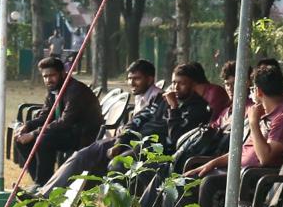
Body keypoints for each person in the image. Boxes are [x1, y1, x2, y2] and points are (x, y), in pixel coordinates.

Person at [29, 63, 213, 196]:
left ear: (193, 85)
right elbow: (136, 120)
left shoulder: (197, 109)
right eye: (174, 83)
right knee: (82, 156)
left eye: (182, 83)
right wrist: (120, 141)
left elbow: (176, 139)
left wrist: (173, 109)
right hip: (130, 140)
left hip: (153, 148)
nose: (175, 88)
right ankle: (45, 195)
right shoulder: (161, 100)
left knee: (115, 164)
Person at [184, 65, 283, 207]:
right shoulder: (265, 115)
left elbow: (265, 157)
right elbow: (242, 152)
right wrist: (212, 163)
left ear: (258, 91)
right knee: (189, 181)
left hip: (260, 181)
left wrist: (254, 123)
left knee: (209, 183)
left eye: (252, 89)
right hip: (242, 172)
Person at [12, 57, 105, 185]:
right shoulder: (53, 89)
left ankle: (43, 184)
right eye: (45, 76)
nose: (48, 80)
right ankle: (41, 183)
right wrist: (27, 126)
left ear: (63, 73)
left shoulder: (75, 90)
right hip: (67, 132)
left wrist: (34, 133)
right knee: (20, 139)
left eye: (52, 75)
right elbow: (46, 116)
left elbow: (65, 122)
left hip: (83, 135)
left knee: (43, 140)